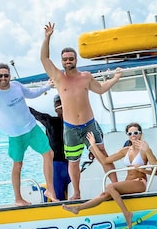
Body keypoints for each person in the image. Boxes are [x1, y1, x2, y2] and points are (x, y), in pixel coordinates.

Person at [40, 21, 123, 200]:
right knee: (73, 162)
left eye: (71, 58)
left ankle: (116, 185)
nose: (68, 61)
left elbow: (100, 88)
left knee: (103, 156)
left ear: (76, 60)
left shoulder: (85, 77)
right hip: (70, 128)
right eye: (65, 59)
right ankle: (76, 192)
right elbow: (44, 59)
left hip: (89, 125)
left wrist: (115, 78)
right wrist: (47, 38)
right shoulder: (58, 77)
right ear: (62, 61)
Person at [0, 56, 56, 205]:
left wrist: (47, 86)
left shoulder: (17, 85)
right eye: (0, 76)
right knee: (18, 165)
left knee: (49, 154)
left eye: (6, 75)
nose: (3, 78)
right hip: (16, 137)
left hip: (32, 128)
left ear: (10, 76)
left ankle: (50, 189)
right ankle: (18, 199)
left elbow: (32, 93)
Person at [62, 123, 157, 229]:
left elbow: (155, 171)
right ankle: (78, 208)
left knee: (110, 186)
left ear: (140, 134)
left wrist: (142, 169)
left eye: (136, 133)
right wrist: (93, 145)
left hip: (140, 182)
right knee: (105, 194)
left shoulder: (145, 150)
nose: (133, 135)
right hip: (129, 182)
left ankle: (126, 213)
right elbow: (105, 160)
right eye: (130, 133)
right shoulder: (125, 150)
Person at [30, 96, 70, 201]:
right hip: (56, 165)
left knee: (72, 193)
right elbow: (35, 114)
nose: (61, 107)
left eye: (62, 103)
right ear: (55, 108)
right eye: (58, 104)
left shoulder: (73, 123)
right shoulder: (52, 122)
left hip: (70, 164)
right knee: (58, 196)